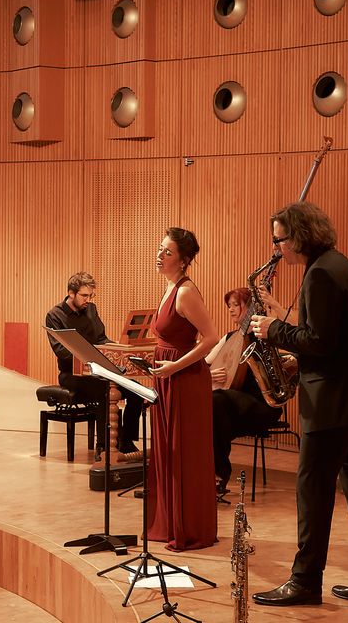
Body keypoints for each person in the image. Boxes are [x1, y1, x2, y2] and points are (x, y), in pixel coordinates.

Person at [249, 202, 348, 608]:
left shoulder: (320, 276)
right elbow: (332, 341)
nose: (277, 248)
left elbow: (320, 341)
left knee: (312, 488)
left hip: (334, 401)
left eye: (279, 240)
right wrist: (300, 348)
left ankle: (305, 582)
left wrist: (273, 329)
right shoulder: (338, 265)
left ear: (299, 235)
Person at [146, 227, 219, 551]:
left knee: (182, 454)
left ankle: (189, 527)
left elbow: (212, 338)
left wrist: (174, 367)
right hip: (168, 375)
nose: (160, 256)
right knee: (167, 451)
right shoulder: (169, 287)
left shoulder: (186, 292)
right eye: (160, 249)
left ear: (184, 260)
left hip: (184, 380)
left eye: (168, 252)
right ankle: (170, 521)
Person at [45, 272, 142, 456]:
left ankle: (126, 441)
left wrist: (119, 349)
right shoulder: (55, 315)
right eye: (84, 295)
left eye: (91, 295)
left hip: (97, 372)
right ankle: (104, 447)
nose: (88, 300)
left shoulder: (91, 309)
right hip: (72, 375)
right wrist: (87, 355)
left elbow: (101, 339)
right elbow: (61, 352)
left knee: (136, 390)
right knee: (106, 390)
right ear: (71, 293)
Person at [205, 287, 282, 496]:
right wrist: (208, 376)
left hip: (261, 404)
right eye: (229, 306)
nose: (230, 310)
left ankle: (219, 475)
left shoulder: (264, 337)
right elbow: (203, 365)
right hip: (232, 406)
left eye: (236, 305)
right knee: (209, 404)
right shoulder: (229, 337)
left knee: (215, 401)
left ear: (250, 308)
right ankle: (204, 474)